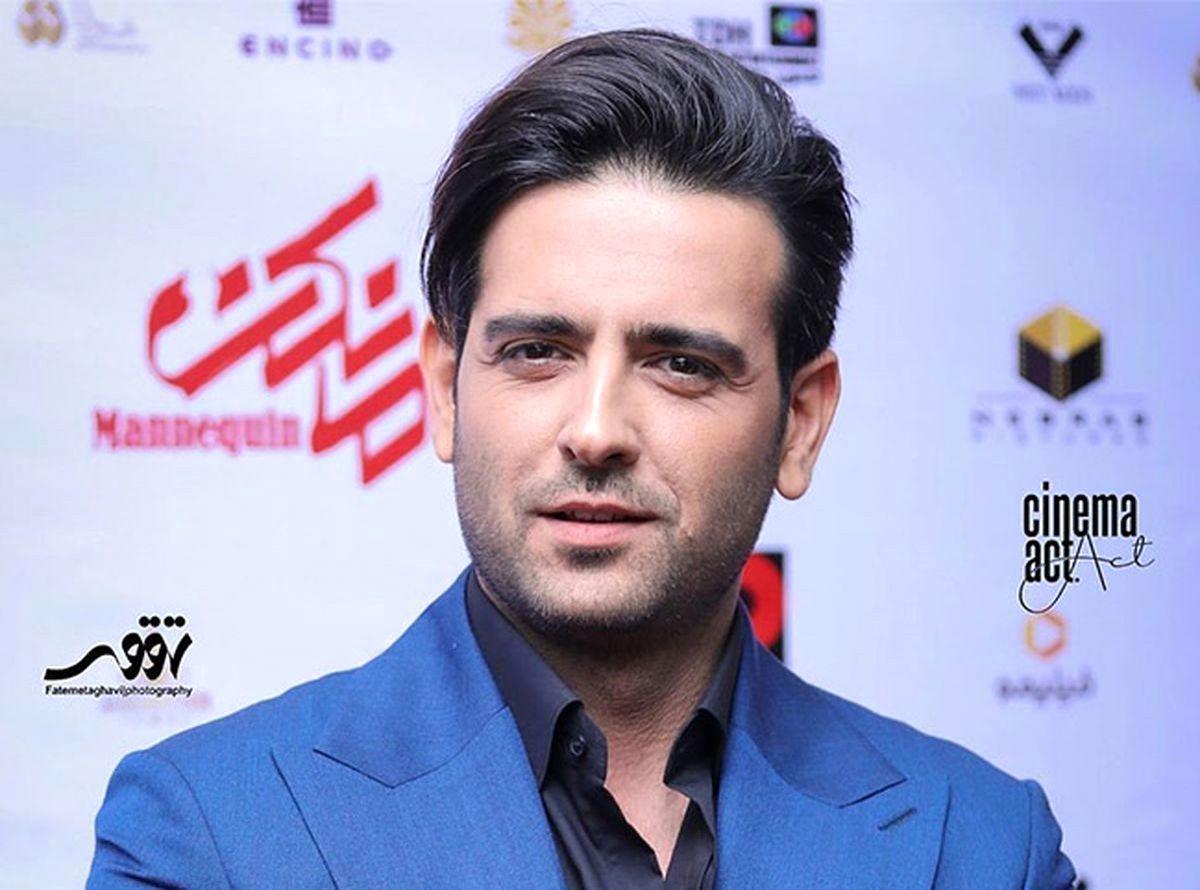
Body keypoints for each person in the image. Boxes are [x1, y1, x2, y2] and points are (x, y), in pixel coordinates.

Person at [87, 29, 1075, 889]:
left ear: (801, 422)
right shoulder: (209, 832)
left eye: (681, 363)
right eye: (537, 351)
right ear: (444, 388)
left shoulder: (983, 846)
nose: (596, 429)